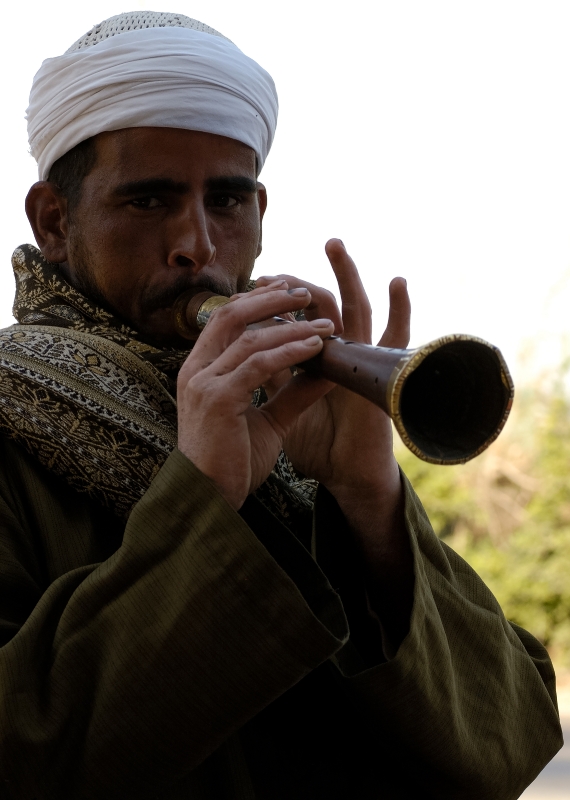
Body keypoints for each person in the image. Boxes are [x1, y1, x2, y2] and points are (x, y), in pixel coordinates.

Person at [0, 11, 562, 800]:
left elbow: (510, 746)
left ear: (261, 213)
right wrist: (201, 496)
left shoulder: (290, 421)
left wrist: (369, 496)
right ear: (54, 222)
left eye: (226, 202)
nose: (196, 244)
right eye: (148, 202)